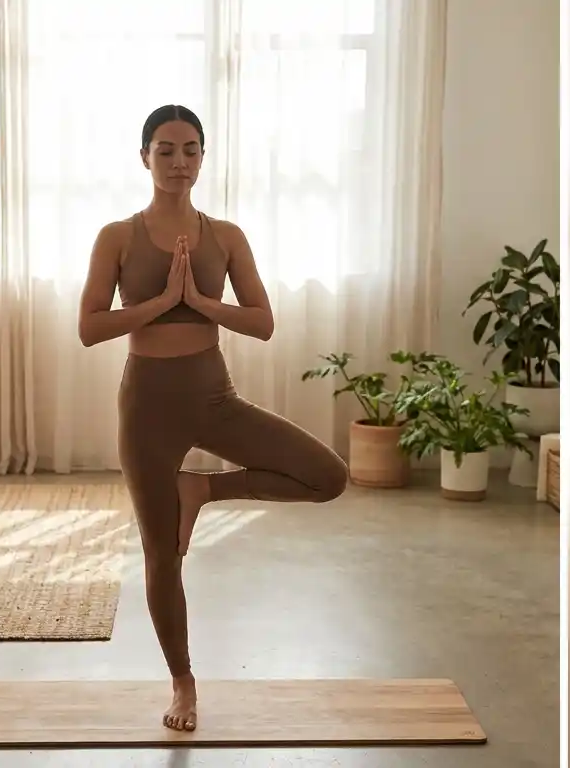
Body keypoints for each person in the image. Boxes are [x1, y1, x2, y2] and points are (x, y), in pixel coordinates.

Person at [77, 104, 350, 733]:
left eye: (191, 150)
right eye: (166, 150)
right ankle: (183, 681)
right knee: (160, 554)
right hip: (147, 406)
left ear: (204, 157)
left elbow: (262, 321)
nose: (179, 162)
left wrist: (199, 302)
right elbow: (90, 328)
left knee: (327, 475)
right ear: (143, 156)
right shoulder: (117, 236)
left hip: (212, 396)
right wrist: (159, 303)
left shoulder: (226, 236)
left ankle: (204, 487)